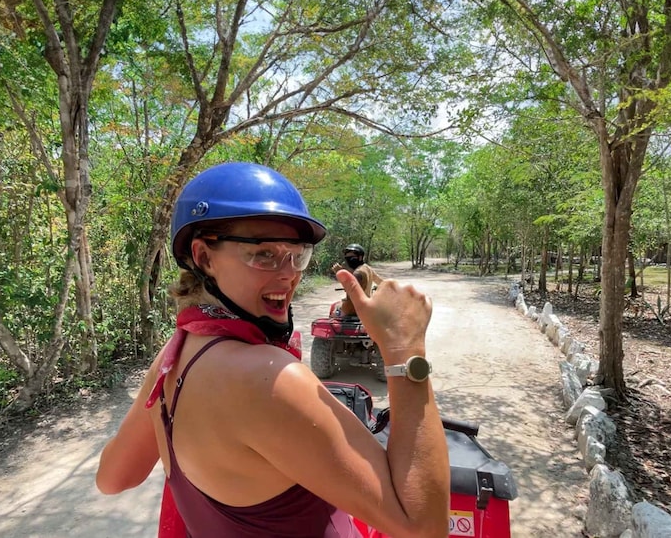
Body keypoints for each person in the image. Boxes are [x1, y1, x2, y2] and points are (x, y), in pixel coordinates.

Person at [95, 162, 449, 537]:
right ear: (203, 257)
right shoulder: (268, 377)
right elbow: (424, 527)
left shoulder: (177, 352)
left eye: (297, 254)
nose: (289, 274)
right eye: (263, 254)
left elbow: (114, 477)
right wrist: (405, 348)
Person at [332, 243, 384, 317]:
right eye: (347, 258)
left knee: (334, 311)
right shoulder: (366, 268)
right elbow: (380, 281)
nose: (349, 261)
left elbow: (351, 291)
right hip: (367, 305)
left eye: (352, 258)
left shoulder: (358, 273)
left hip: (354, 309)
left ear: (360, 257)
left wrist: (340, 274)